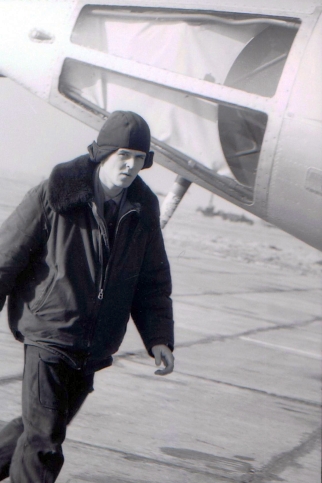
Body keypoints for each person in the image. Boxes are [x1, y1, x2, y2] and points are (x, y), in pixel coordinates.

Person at [0, 111, 174, 482]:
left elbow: (152, 279)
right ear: (102, 153)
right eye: (122, 155)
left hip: (95, 345)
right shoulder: (56, 192)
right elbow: (6, 253)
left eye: (139, 158)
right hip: (50, 332)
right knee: (44, 444)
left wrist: (158, 337)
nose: (130, 166)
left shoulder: (143, 208)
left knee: (37, 431)